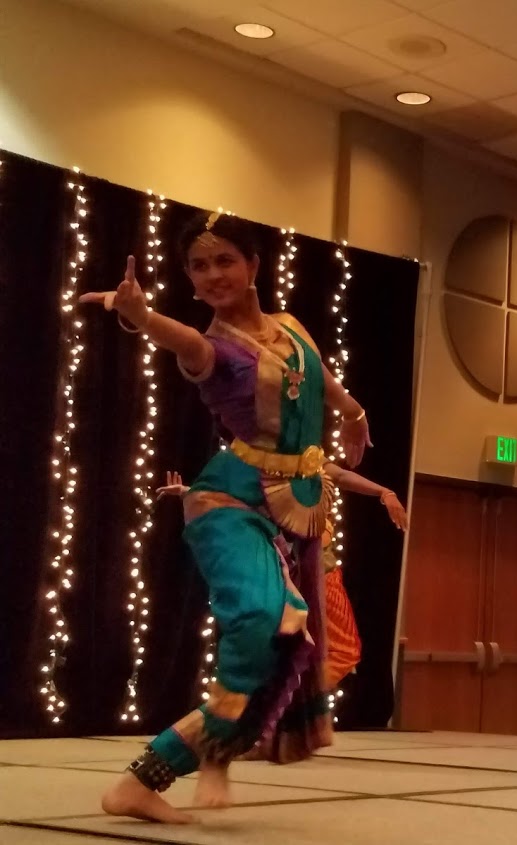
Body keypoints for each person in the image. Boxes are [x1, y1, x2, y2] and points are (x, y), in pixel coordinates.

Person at [80, 211, 371, 823]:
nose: (213, 274)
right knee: (263, 615)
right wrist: (141, 316)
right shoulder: (214, 349)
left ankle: (150, 778)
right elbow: (180, 340)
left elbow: (320, 379)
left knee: (283, 645)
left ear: (254, 265)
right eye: (199, 265)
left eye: (224, 260)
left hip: (291, 510)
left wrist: (354, 412)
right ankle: (211, 752)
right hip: (227, 504)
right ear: (189, 278)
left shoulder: (291, 328)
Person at [157, 466, 407, 690]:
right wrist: (189, 492)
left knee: (304, 649)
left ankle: (284, 701)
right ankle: (286, 700)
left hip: (303, 574)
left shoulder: (305, 463)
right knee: (339, 651)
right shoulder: (274, 471)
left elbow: (340, 475)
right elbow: (234, 501)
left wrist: (384, 492)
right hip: (299, 576)